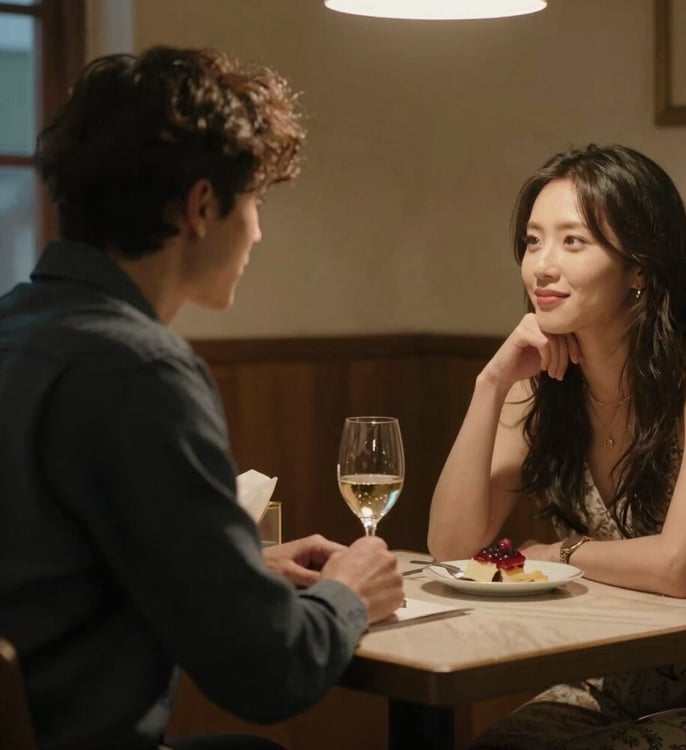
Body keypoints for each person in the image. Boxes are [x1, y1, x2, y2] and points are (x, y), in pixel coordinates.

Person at [0, 46, 404, 750]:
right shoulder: (138, 369)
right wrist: (350, 593)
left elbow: (52, 562)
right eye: (255, 202)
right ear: (202, 204)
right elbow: (270, 672)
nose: (257, 231)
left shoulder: (15, 325)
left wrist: (236, 562)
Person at [428, 144, 686, 749]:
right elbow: (451, 545)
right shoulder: (537, 385)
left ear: (639, 267)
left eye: (573, 242)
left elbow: (680, 566)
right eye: (533, 242)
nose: (542, 266)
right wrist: (491, 383)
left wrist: (558, 550)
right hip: (609, 682)